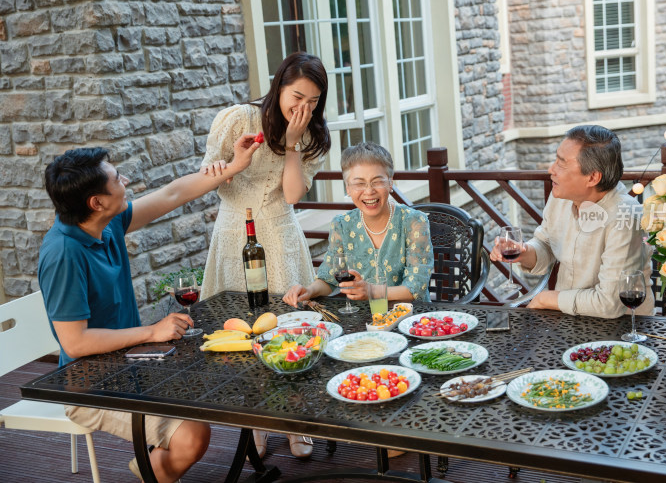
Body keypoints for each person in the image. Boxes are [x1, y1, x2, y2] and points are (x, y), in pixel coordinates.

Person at [38, 135, 260, 483]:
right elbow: (75, 344)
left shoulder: (103, 222)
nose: (124, 182)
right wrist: (152, 331)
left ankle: (150, 469)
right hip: (90, 383)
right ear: (96, 202)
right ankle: (150, 473)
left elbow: (171, 195)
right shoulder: (63, 254)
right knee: (193, 437)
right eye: (117, 179)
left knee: (223, 378)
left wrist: (233, 167)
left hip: (137, 360)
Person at [200, 52, 331, 459]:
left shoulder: (312, 137)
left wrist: (291, 146)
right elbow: (207, 174)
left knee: (289, 325)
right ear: (278, 87)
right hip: (234, 230)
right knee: (243, 328)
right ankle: (256, 421)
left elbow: (292, 194)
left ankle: (296, 420)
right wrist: (226, 164)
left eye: (312, 101)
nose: (303, 108)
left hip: (279, 233)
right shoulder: (238, 118)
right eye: (296, 97)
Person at [490, 124, 654, 318]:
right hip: (567, 319)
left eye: (561, 163)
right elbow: (546, 244)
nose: (551, 170)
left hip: (622, 328)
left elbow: (609, 304)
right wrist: (524, 251)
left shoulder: (625, 216)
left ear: (592, 177)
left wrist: (546, 299)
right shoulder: (561, 196)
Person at [283, 141, 434, 307]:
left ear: (390, 183)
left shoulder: (414, 222)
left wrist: (370, 291)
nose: (369, 191)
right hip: (362, 319)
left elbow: (415, 287)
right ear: (347, 188)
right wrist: (309, 290)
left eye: (377, 181)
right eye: (359, 183)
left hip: (411, 319)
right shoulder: (342, 225)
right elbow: (329, 277)